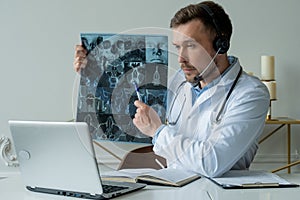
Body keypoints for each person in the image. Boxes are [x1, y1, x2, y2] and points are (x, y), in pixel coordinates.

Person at [74, 1, 270, 178]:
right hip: (173, 188)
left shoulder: (250, 94)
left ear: (221, 44)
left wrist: (159, 132)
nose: (181, 58)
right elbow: (125, 94)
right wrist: (92, 69)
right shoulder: (179, 82)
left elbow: (211, 163)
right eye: (177, 47)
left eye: (191, 46)